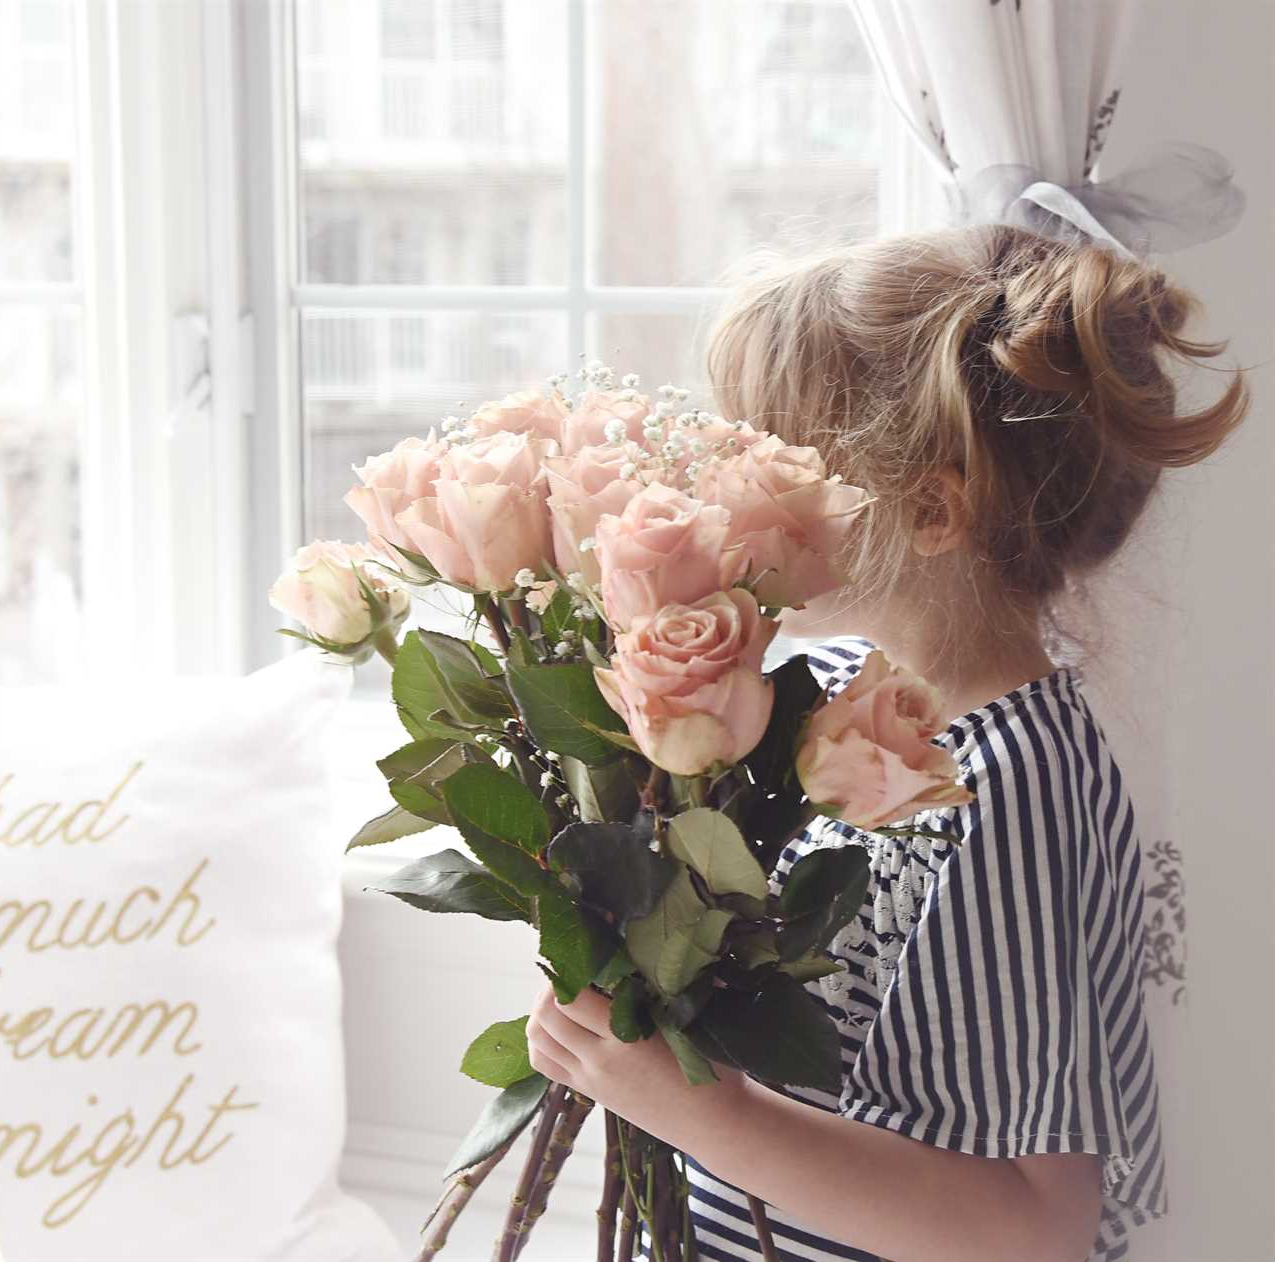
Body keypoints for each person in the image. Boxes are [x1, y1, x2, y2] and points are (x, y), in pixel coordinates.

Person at [524, 223, 1248, 1262]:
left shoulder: (1001, 787)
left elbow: (1032, 1228)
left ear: (925, 508)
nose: (721, 494)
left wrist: (697, 1110)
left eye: (766, 460)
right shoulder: (814, 693)